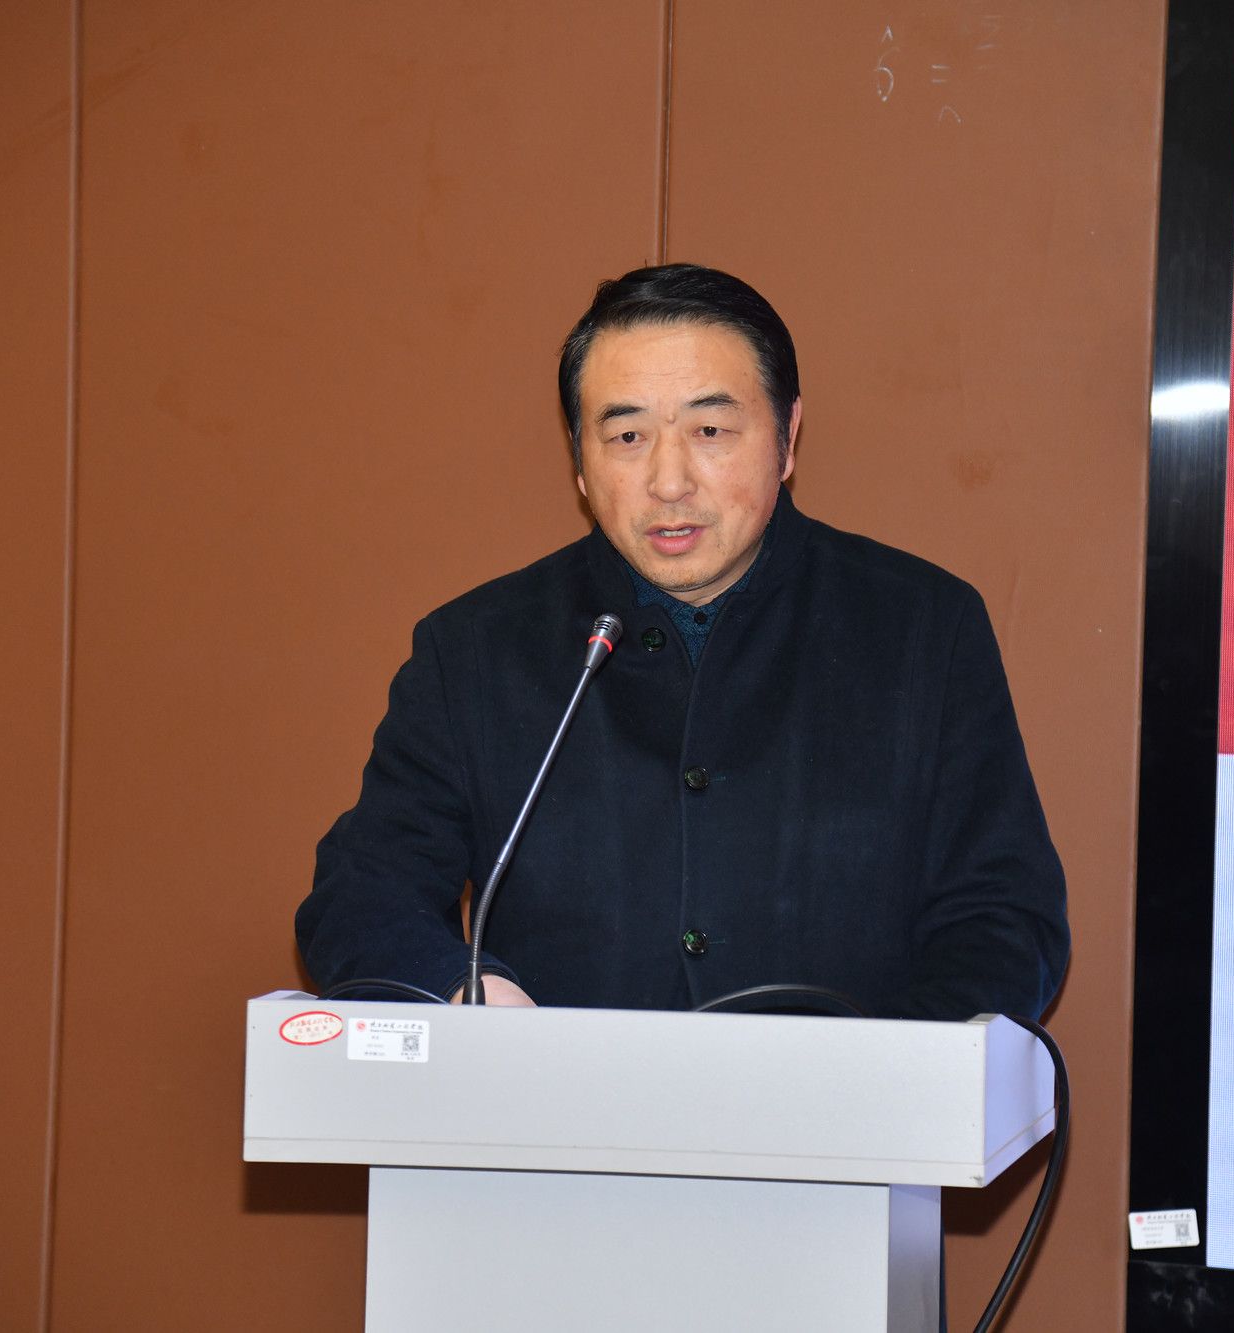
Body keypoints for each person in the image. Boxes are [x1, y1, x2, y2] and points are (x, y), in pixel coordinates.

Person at [296, 264, 1068, 1020]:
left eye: (710, 430)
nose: (669, 481)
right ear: (580, 460)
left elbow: (1003, 917)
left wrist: (890, 1072)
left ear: (787, 438)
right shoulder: (473, 651)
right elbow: (361, 897)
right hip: (562, 1103)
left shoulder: (922, 628)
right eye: (627, 435)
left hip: (847, 1103)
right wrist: (465, 990)